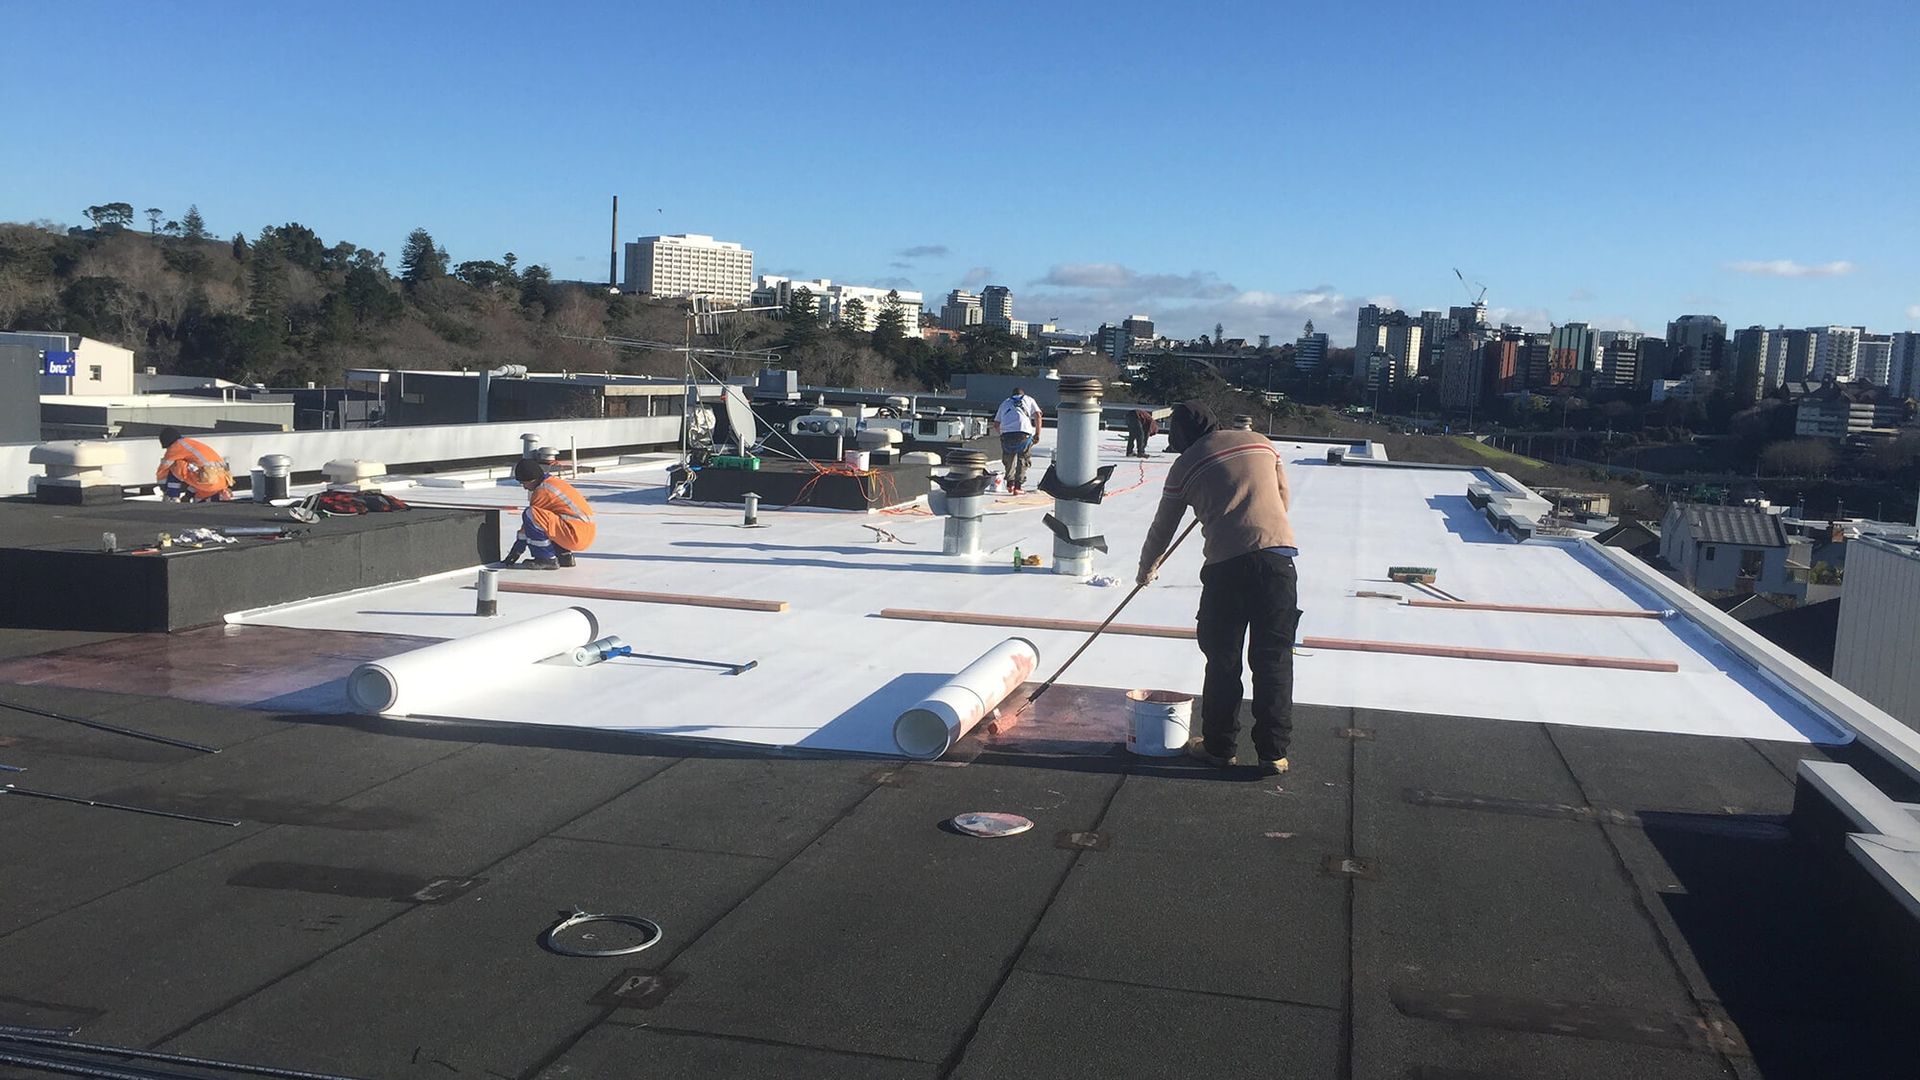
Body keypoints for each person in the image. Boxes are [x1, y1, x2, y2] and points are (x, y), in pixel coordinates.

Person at [1135, 401, 1298, 775]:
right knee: (1273, 659)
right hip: (1278, 562)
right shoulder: (1261, 442)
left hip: (1227, 569)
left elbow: (1164, 527)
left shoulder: (1185, 465)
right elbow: (1282, 499)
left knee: (1224, 661)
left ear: (1181, 435)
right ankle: (1274, 753)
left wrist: (1147, 568)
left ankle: (1220, 747)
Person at [498, 458, 596, 570]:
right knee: (549, 521)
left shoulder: (542, 491)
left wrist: (516, 551)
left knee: (531, 514)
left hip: (575, 534)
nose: (524, 488)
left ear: (532, 480)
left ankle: (545, 559)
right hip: (584, 534)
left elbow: (528, 525)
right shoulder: (554, 482)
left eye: (524, 483)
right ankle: (564, 556)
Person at [154, 427, 233, 503]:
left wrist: (163, 485)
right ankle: (216, 497)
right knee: (198, 500)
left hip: (208, 479)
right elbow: (197, 474)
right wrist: (188, 496)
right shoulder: (190, 443)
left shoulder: (176, 446)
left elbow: (163, 469)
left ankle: (172, 497)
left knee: (176, 465)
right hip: (221, 482)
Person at [994, 386, 1043, 493]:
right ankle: (1018, 487)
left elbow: (996, 424)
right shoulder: (1029, 399)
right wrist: (1037, 434)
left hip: (1007, 434)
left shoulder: (1005, 403)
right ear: (1022, 394)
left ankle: (1010, 484)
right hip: (1023, 434)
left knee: (1009, 459)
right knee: (1023, 459)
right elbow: (1038, 415)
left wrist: (1002, 434)